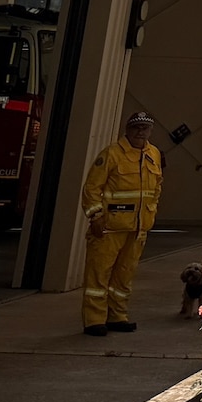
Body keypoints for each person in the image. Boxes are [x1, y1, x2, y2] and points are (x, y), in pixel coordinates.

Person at [79, 111, 163, 335]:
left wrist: (151, 212)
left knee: (124, 275)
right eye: (136, 127)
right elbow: (91, 188)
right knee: (99, 274)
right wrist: (96, 216)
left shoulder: (154, 154)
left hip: (137, 228)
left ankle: (117, 316)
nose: (140, 132)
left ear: (150, 131)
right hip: (109, 228)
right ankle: (94, 320)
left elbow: (156, 187)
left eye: (145, 128)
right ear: (127, 129)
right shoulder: (112, 154)